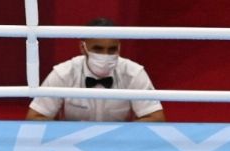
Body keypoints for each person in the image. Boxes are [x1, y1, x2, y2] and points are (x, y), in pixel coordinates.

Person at [26, 17, 165, 122]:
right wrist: (65, 135)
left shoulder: (133, 73)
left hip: (119, 147)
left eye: (112, 49)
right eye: (98, 49)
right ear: (83, 48)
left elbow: (156, 118)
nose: (105, 55)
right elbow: (35, 117)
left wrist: (119, 134)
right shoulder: (64, 73)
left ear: (119, 48)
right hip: (72, 144)